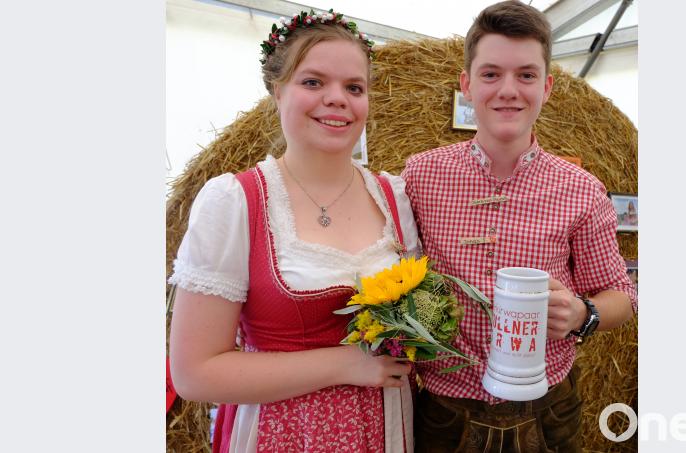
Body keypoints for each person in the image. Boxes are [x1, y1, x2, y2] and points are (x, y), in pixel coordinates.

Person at [168, 10, 419, 453]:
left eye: (354, 88)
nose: (337, 98)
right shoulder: (235, 202)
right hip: (281, 434)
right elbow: (194, 373)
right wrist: (346, 363)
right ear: (277, 90)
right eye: (313, 82)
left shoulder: (393, 196)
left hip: (384, 429)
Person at [400, 2, 638, 451]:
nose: (508, 90)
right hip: (444, 408)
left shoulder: (582, 190)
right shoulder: (419, 176)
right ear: (466, 85)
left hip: (548, 409)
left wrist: (583, 314)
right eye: (491, 74)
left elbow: (622, 297)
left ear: (547, 88)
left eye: (526, 75)